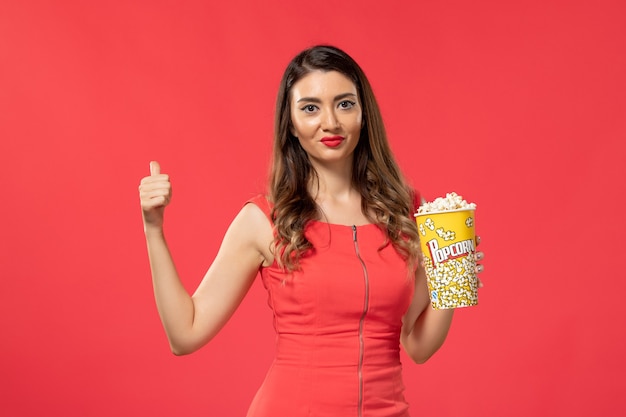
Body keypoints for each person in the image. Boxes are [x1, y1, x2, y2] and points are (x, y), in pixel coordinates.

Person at [139, 45, 484, 417]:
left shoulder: (404, 211)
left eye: (345, 104)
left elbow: (418, 345)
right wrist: (153, 228)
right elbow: (185, 334)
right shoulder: (265, 218)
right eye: (310, 108)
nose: (330, 122)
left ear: (364, 114)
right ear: (290, 123)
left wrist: (452, 280)